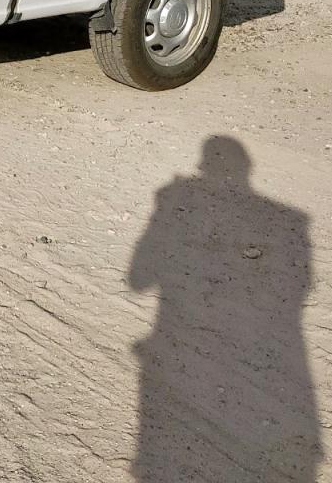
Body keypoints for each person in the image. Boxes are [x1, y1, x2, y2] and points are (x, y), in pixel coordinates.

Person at [129, 136, 321, 482]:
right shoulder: (291, 221)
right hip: (268, 363)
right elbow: (300, 286)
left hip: (188, 356)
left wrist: (164, 214)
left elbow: (138, 278)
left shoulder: (177, 202)